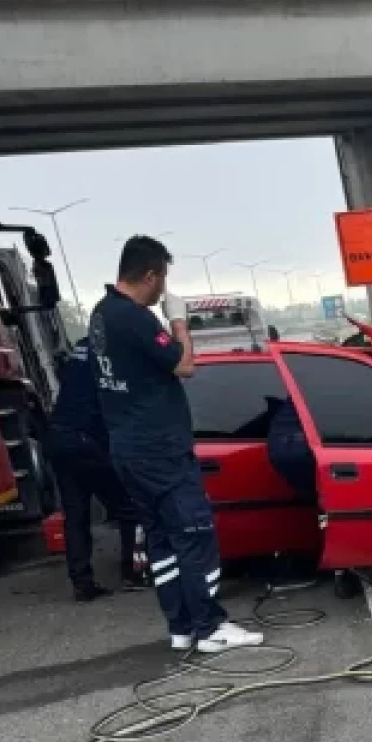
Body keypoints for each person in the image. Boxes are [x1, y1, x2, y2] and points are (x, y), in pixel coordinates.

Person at [89, 235, 263, 654]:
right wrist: (179, 323)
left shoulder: (100, 314)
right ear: (150, 275)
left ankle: (181, 628)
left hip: (128, 447)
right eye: (162, 279)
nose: (163, 289)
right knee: (195, 534)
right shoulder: (133, 317)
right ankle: (210, 626)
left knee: (162, 540)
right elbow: (184, 365)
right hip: (160, 448)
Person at [44, 336, 146, 601]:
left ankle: (82, 582)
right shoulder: (114, 352)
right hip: (86, 442)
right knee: (127, 506)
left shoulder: (84, 345)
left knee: (75, 514)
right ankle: (132, 571)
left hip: (58, 437)